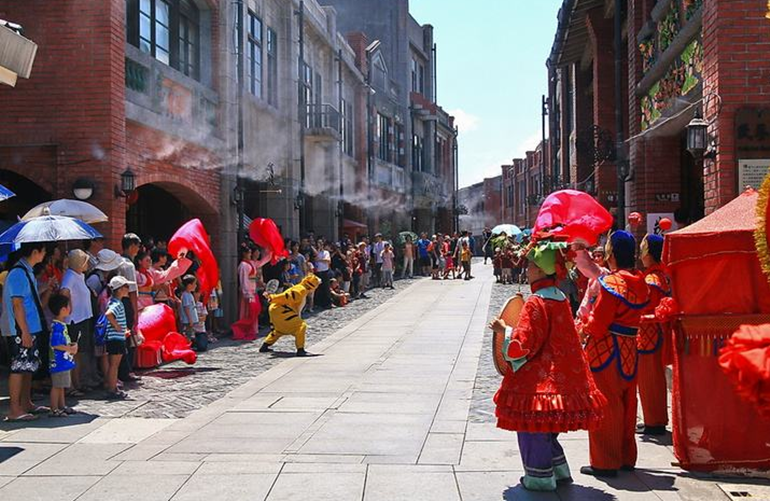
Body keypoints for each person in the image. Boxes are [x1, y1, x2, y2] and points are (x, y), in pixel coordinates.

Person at [489, 240, 606, 491]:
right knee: (548, 428)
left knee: (531, 426)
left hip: (537, 380)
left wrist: (504, 330)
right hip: (562, 376)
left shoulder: (536, 302)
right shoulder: (560, 297)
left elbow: (524, 344)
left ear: (542, 270)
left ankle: (539, 477)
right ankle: (559, 470)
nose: (528, 270)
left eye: (531, 266)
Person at [580, 231, 650, 478]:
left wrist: (585, 324)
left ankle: (605, 461)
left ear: (612, 254)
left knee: (605, 403)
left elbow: (599, 324)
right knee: (628, 402)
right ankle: (626, 456)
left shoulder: (612, 283)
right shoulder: (640, 280)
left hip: (607, 349)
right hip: (630, 347)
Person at [2, 243, 48, 422]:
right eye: (43, 251)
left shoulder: (27, 272)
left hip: (30, 327)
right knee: (18, 367)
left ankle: (26, 402)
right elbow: (17, 304)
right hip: (20, 329)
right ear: (35, 252)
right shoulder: (18, 273)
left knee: (28, 367)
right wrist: (25, 331)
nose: (44, 255)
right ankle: (15, 409)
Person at [637, 234, 673, 436]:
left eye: (643, 250)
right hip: (652, 334)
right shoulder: (659, 276)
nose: (641, 256)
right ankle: (654, 418)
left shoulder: (651, 280)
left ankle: (654, 421)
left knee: (650, 379)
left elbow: (648, 309)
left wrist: (636, 318)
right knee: (652, 379)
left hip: (649, 335)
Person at [59, 249, 96, 395]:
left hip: (83, 317)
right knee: (73, 353)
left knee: (79, 353)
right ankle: (71, 386)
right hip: (74, 320)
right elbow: (64, 292)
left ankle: (77, 382)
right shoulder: (70, 276)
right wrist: (68, 307)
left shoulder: (80, 275)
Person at [260, 273, 321, 356]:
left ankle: (265, 346)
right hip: (281, 310)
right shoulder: (301, 290)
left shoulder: (301, 289)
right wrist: (272, 297)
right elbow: (286, 297)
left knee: (279, 330)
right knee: (300, 326)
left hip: (277, 309)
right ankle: (300, 350)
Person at [117, 233, 142, 383]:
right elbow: (132, 291)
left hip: (117, 301)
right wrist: (135, 311)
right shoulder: (129, 265)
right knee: (128, 335)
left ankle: (122, 371)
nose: (138, 249)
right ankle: (127, 371)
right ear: (132, 246)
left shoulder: (117, 261)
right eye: (137, 246)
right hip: (126, 302)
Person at [48, 293, 77, 417]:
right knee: (57, 386)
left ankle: (62, 405)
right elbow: (55, 344)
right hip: (58, 361)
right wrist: (69, 349)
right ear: (63, 309)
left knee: (61, 385)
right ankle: (54, 408)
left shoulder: (61, 325)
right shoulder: (57, 326)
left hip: (63, 361)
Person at [104, 276, 133, 400]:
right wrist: (116, 326)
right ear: (120, 289)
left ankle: (113, 387)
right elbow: (109, 314)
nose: (128, 289)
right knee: (114, 365)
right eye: (126, 287)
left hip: (115, 337)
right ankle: (112, 389)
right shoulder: (117, 303)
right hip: (115, 339)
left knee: (113, 365)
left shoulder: (113, 301)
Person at [313, 239, 333, 309]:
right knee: (319, 288)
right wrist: (317, 253)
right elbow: (314, 259)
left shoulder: (326, 252)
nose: (320, 246)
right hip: (318, 272)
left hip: (325, 271)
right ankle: (319, 303)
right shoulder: (316, 252)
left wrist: (320, 260)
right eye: (318, 244)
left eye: (321, 244)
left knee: (326, 287)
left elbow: (328, 260)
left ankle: (328, 303)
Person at [179, 275, 198, 341]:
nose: (196, 286)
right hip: (187, 320)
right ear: (189, 285)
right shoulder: (185, 295)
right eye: (194, 284)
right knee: (187, 335)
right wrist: (190, 319)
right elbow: (186, 308)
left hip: (190, 320)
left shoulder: (189, 294)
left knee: (190, 334)